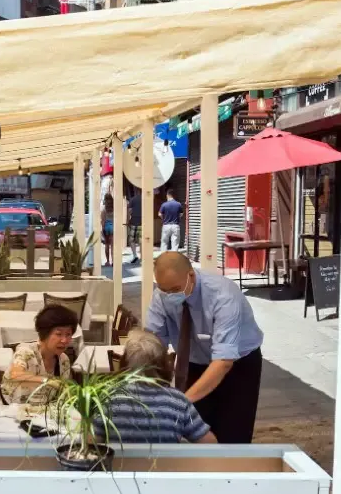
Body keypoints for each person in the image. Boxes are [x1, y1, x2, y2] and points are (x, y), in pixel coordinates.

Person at [146, 252, 264, 443]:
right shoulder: (162, 295)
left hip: (237, 366)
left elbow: (223, 362)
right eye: (164, 290)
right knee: (196, 433)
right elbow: (152, 344)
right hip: (195, 362)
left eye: (175, 289)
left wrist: (181, 403)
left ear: (191, 276)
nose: (169, 296)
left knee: (233, 437)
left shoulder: (223, 295)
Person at [93, 329, 216, 444]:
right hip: (165, 461)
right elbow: (209, 442)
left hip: (120, 461)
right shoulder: (178, 401)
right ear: (163, 364)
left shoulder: (109, 398)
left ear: (124, 362)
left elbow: (91, 440)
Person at [1, 305, 78, 405]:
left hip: (43, 411)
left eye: (68, 334)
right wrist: (47, 381)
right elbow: (15, 374)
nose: (64, 340)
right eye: (58, 334)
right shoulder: (26, 352)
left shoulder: (64, 360)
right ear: (44, 334)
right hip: (11, 409)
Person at [128, 187, 142, 264]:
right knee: (141, 241)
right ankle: (142, 257)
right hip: (143, 222)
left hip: (134, 221)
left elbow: (129, 211)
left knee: (131, 240)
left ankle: (135, 255)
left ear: (136, 190)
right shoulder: (145, 199)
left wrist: (128, 220)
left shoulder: (133, 199)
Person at [102, 193, 115, 267]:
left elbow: (103, 222)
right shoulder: (114, 208)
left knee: (107, 245)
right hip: (113, 227)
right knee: (113, 245)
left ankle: (107, 261)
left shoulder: (104, 210)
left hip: (106, 227)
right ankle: (113, 261)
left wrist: (102, 231)